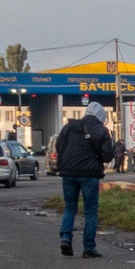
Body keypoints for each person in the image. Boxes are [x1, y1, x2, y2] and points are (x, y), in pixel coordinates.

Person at [53, 103, 120, 258]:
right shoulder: (102, 130)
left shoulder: (68, 127)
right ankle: (89, 248)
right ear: (101, 116)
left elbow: (58, 146)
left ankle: (66, 238)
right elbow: (108, 156)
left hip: (68, 173)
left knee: (70, 207)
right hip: (89, 174)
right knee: (90, 211)